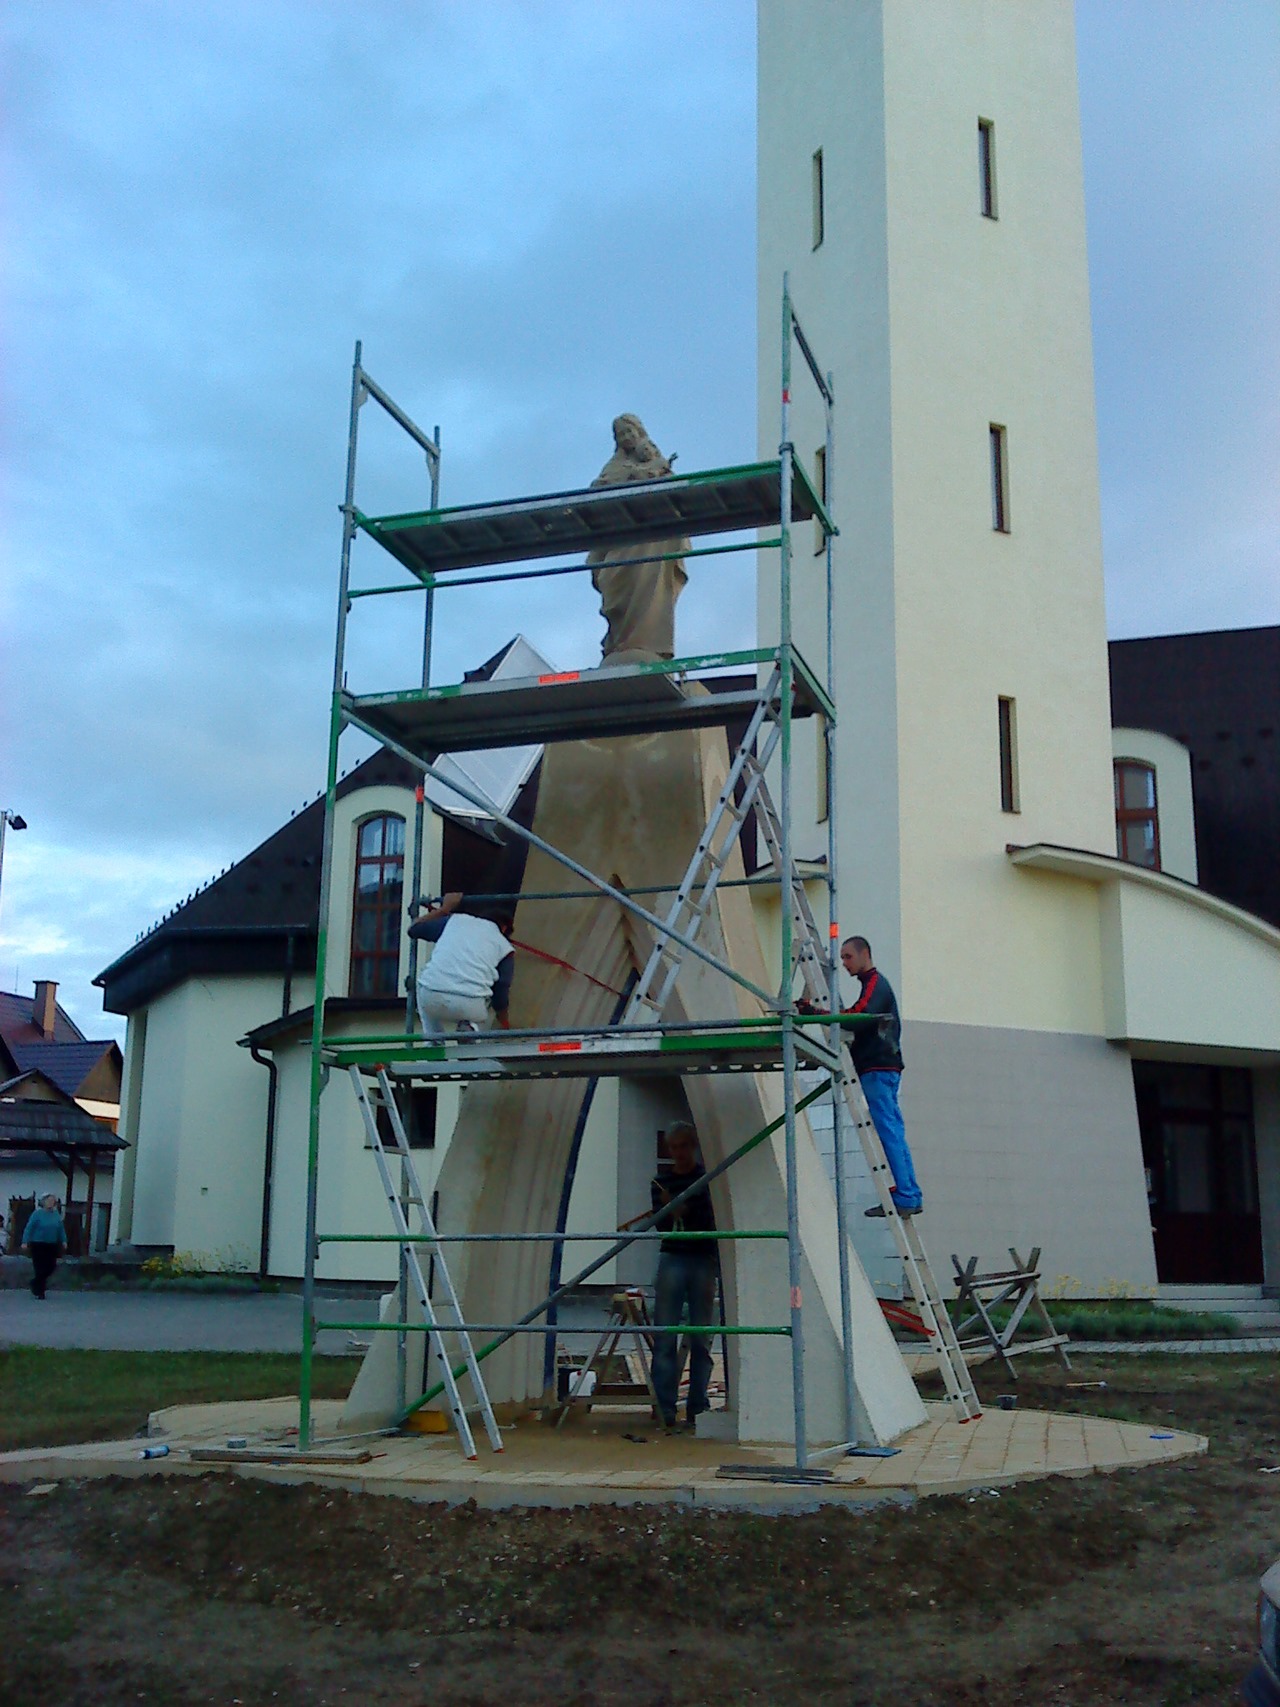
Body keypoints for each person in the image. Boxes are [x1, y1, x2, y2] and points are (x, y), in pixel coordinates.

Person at [587, 414, 690, 662]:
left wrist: (650, 474)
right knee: (613, 582)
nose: (626, 438)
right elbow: (596, 490)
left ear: (640, 433)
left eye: (629, 432)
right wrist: (630, 477)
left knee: (651, 589)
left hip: (651, 541)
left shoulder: (657, 463)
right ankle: (620, 643)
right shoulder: (614, 467)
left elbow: (674, 497)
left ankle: (647, 644)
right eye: (620, 435)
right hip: (620, 537)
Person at [839, 935, 924, 1218]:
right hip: (882, 1066)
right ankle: (908, 1191)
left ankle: (907, 1193)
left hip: (878, 1066)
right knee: (892, 1129)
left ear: (865, 954)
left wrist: (821, 1014)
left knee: (889, 1129)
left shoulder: (875, 983)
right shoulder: (872, 985)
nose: (844, 963)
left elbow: (861, 1014)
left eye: (848, 956)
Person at [648, 1120, 719, 1430]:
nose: (679, 1153)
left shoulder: (707, 1179)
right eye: (674, 1148)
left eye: (683, 1146)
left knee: (701, 1337)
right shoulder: (660, 1182)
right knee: (665, 1335)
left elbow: (711, 1220)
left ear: (693, 1146)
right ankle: (664, 1408)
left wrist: (682, 1211)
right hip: (674, 1256)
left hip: (700, 1257)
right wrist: (668, 1212)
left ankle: (697, 1407)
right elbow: (661, 1226)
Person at [408, 891, 515, 1036]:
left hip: (431, 997)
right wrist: (504, 1021)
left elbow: (414, 929)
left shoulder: (455, 921)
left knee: (424, 978)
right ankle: (470, 1029)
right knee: (486, 996)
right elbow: (501, 993)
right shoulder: (505, 947)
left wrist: (443, 910)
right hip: (470, 1004)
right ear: (504, 928)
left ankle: (433, 1040)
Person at [22, 1194, 67, 1299]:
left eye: (53, 1201)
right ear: (44, 1202)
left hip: (51, 1244)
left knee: (51, 1266)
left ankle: (35, 1282)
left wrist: (64, 1240)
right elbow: (29, 1228)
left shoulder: (56, 1214)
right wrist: (25, 1241)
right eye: (49, 1201)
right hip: (38, 1244)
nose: (51, 1203)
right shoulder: (37, 1214)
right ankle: (40, 1291)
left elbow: (60, 1228)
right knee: (40, 1267)